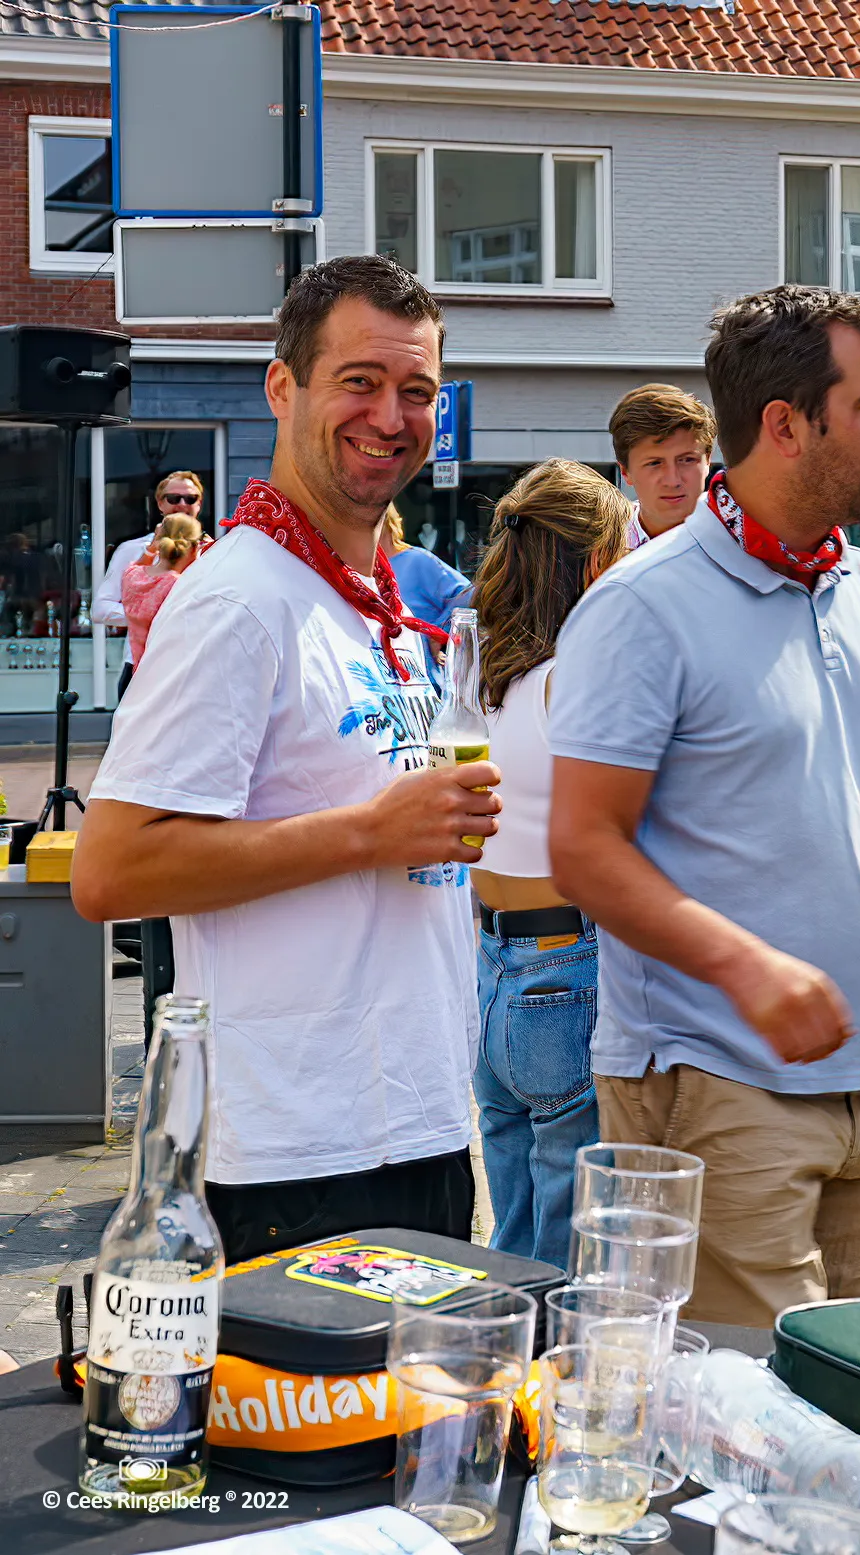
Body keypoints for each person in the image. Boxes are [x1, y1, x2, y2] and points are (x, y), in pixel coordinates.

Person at [547, 285, 860, 1327]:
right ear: (785, 424)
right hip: (713, 1086)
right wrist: (748, 967)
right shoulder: (643, 606)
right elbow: (582, 847)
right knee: (743, 1427)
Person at [71, 253, 501, 1262]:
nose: (391, 415)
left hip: (416, 1132)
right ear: (284, 386)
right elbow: (112, 867)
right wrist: (368, 832)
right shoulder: (238, 601)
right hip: (299, 1163)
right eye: (359, 382)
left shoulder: (372, 602)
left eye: (417, 391)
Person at [468, 459, 631, 1266]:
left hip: (495, 966)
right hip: (568, 964)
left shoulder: (494, 672)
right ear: (598, 561)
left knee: (513, 1237)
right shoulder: (581, 678)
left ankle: (500, 1380)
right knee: (570, 1256)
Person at [96, 471, 205, 696]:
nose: (182, 504)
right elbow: (101, 608)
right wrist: (149, 616)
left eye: (190, 499)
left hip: (193, 667)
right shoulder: (132, 550)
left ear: (199, 504)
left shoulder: (215, 550)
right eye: (173, 498)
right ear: (160, 504)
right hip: (142, 666)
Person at [608, 383, 716, 549]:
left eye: (687, 460)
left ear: (707, 460)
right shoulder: (601, 551)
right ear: (625, 471)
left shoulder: (744, 542)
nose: (673, 481)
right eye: (655, 463)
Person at [119, 513, 203, 674]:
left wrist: (152, 548)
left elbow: (139, 565)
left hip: (137, 675)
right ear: (193, 547)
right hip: (168, 677)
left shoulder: (132, 576)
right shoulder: (179, 585)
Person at [381, 504, 470, 632]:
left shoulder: (416, 560)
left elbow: (468, 595)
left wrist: (439, 631)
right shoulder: (359, 568)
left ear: (386, 521)